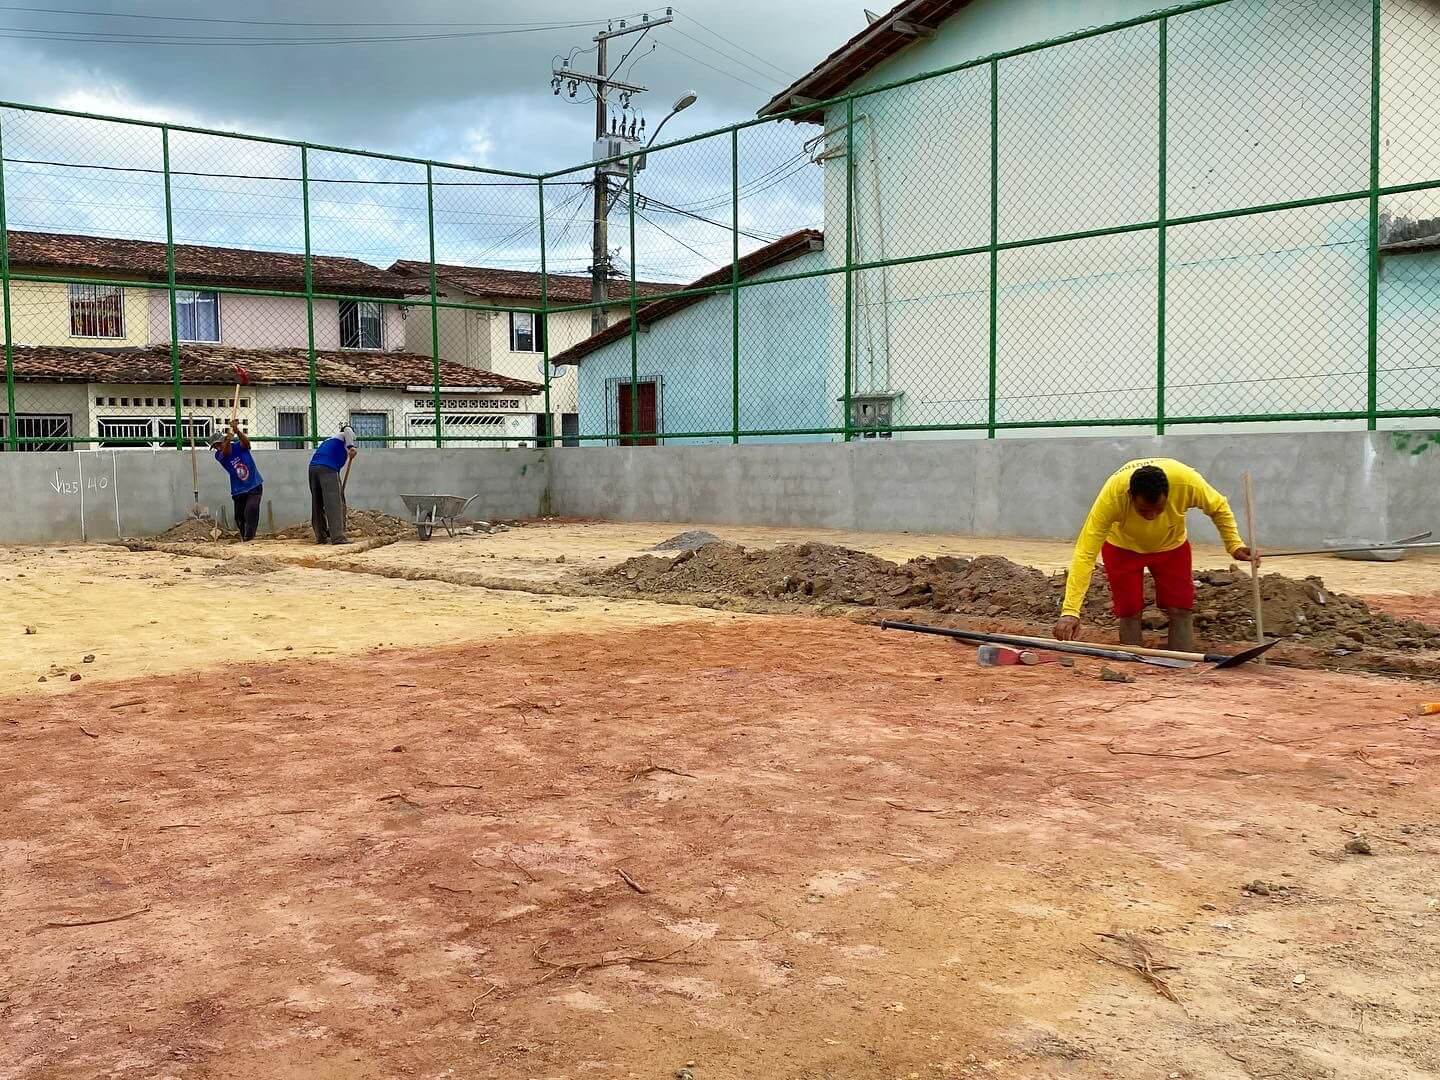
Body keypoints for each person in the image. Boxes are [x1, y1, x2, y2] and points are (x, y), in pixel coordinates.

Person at [1053, 458, 1255, 652]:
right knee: (1129, 610)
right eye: (1143, 510)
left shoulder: (1186, 483)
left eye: (1158, 509)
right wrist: (1070, 611)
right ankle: (1133, 668)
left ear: (1169, 494)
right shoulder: (1112, 497)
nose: (1151, 516)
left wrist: (1234, 544)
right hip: (1123, 549)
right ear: (1130, 496)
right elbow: (1084, 554)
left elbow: (1218, 507)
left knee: (1181, 606)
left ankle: (1182, 667)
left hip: (1171, 547)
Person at [212, 419, 263, 542]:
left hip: (253, 485)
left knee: (251, 511)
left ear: (223, 441)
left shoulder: (238, 446)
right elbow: (225, 452)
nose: (217, 448)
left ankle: (249, 538)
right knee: (239, 517)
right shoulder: (219, 456)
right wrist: (228, 440)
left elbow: (247, 444)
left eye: (218, 444)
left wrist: (237, 431)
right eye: (215, 447)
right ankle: (243, 537)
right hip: (238, 490)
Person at [308, 422, 356, 545]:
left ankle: (321, 536)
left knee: (317, 503)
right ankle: (338, 537)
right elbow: (348, 429)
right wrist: (351, 446)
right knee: (334, 503)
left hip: (313, 468)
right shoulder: (344, 435)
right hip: (328, 468)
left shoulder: (330, 440)